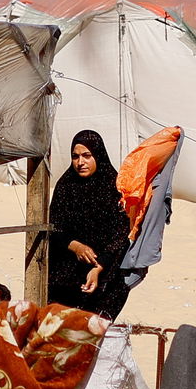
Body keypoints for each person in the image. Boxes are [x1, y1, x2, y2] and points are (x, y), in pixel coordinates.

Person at [48, 130, 132, 319]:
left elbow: (121, 234)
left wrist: (98, 267)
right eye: (75, 157)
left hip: (103, 269)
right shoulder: (66, 185)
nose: (80, 162)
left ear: (98, 155)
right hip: (65, 272)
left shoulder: (114, 187)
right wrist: (75, 246)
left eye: (87, 156)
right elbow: (54, 227)